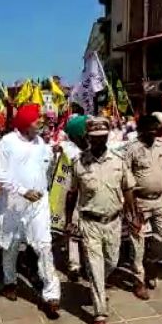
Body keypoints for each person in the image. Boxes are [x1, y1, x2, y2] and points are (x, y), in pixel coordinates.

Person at [66, 117, 138, 324]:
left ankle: (97, 281)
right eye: (93, 138)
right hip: (90, 222)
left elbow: (128, 189)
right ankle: (100, 314)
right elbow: (72, 194)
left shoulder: (118, 160)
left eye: (102, 137)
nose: (98, 141)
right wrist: (69, 220)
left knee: (111, 261)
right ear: (88, 137)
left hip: (114, 222)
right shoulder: (79, 163)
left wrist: (133, 215)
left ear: (107, 137)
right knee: (96, 267)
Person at [0, 104, 61, 318]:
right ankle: (10, 281)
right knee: (11, 245)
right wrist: (22, 191)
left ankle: (51, 295)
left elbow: (47, 167)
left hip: (38, 204)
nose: (40, 123)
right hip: (13, 204)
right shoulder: (7, 142)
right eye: (36, 120)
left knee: (44, 246)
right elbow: (0, 176)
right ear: (24, 123)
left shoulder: (41, 142)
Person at [124, 115, 162, 300]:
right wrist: (130, 208)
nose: (155, 133)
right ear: (141, 131)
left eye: (157, 130)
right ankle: (139, 281)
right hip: (139, 201)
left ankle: (151, 261)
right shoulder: (131, 150)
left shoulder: (161, 146)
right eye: (151, 130)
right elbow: (126, 181)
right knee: (137, 242)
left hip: (160, 200)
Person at [56, 115, 89, 282]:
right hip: (73, 196)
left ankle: (89, 263)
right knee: (73, 229)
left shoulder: (97, 148)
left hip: (92, 198)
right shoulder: (68, 150)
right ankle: (74, 265)